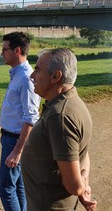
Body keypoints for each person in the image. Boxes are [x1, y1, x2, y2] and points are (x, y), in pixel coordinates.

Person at [21, 48, 97, 211]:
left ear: (55, 76)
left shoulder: (60, 116)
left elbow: (74, 187)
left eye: (38, 70)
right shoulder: (69, 102)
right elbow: (82, 152)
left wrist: (81, 185)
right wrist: (83, 177)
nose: (32, 75)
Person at [0, 32, 41, 211]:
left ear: (17, 50)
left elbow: (31, 117)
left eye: (5, 49)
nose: (2, 53)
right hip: (11, 138)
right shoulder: (18, 74)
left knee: (6, 189)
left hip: (15, 140)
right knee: (19, 186)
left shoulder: (25, 78)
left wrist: (17, 151)